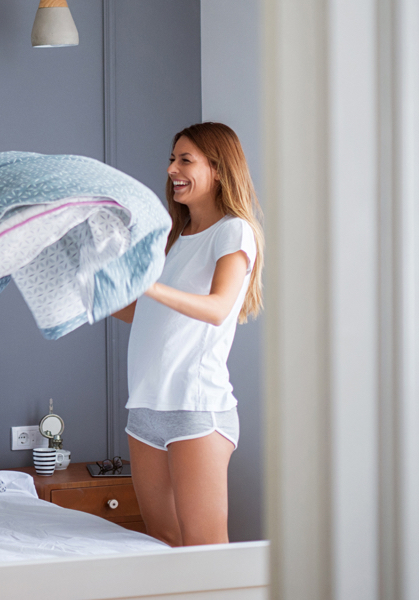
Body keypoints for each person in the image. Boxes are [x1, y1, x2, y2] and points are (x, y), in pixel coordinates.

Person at [110, 122, 264, 547]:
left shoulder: (233, 231)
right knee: (163, 538)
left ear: (217, 169)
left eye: (185, 159)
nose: (172, 169)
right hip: (144, 409)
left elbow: (217, 309)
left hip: (196, 411)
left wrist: (150, 284)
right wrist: (97, 297)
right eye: (172, 159)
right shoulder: (176, 239)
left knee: (205, 546)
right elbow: (147, 312)